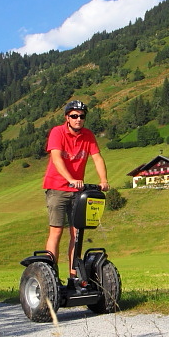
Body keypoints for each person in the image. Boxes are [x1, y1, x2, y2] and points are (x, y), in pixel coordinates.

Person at [42, 100, 108, 276]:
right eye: (74, 116)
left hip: (77, 191)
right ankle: (50, 273)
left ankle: (73, 275)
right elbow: (56, 159)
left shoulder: (88, 135)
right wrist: (70, 178)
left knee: (77, 234)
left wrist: (104, 180)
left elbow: (97, 158)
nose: (78, 119)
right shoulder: (58, 132)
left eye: (81, 116)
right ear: (67, 117)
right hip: (57, 188)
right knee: (56, 231)